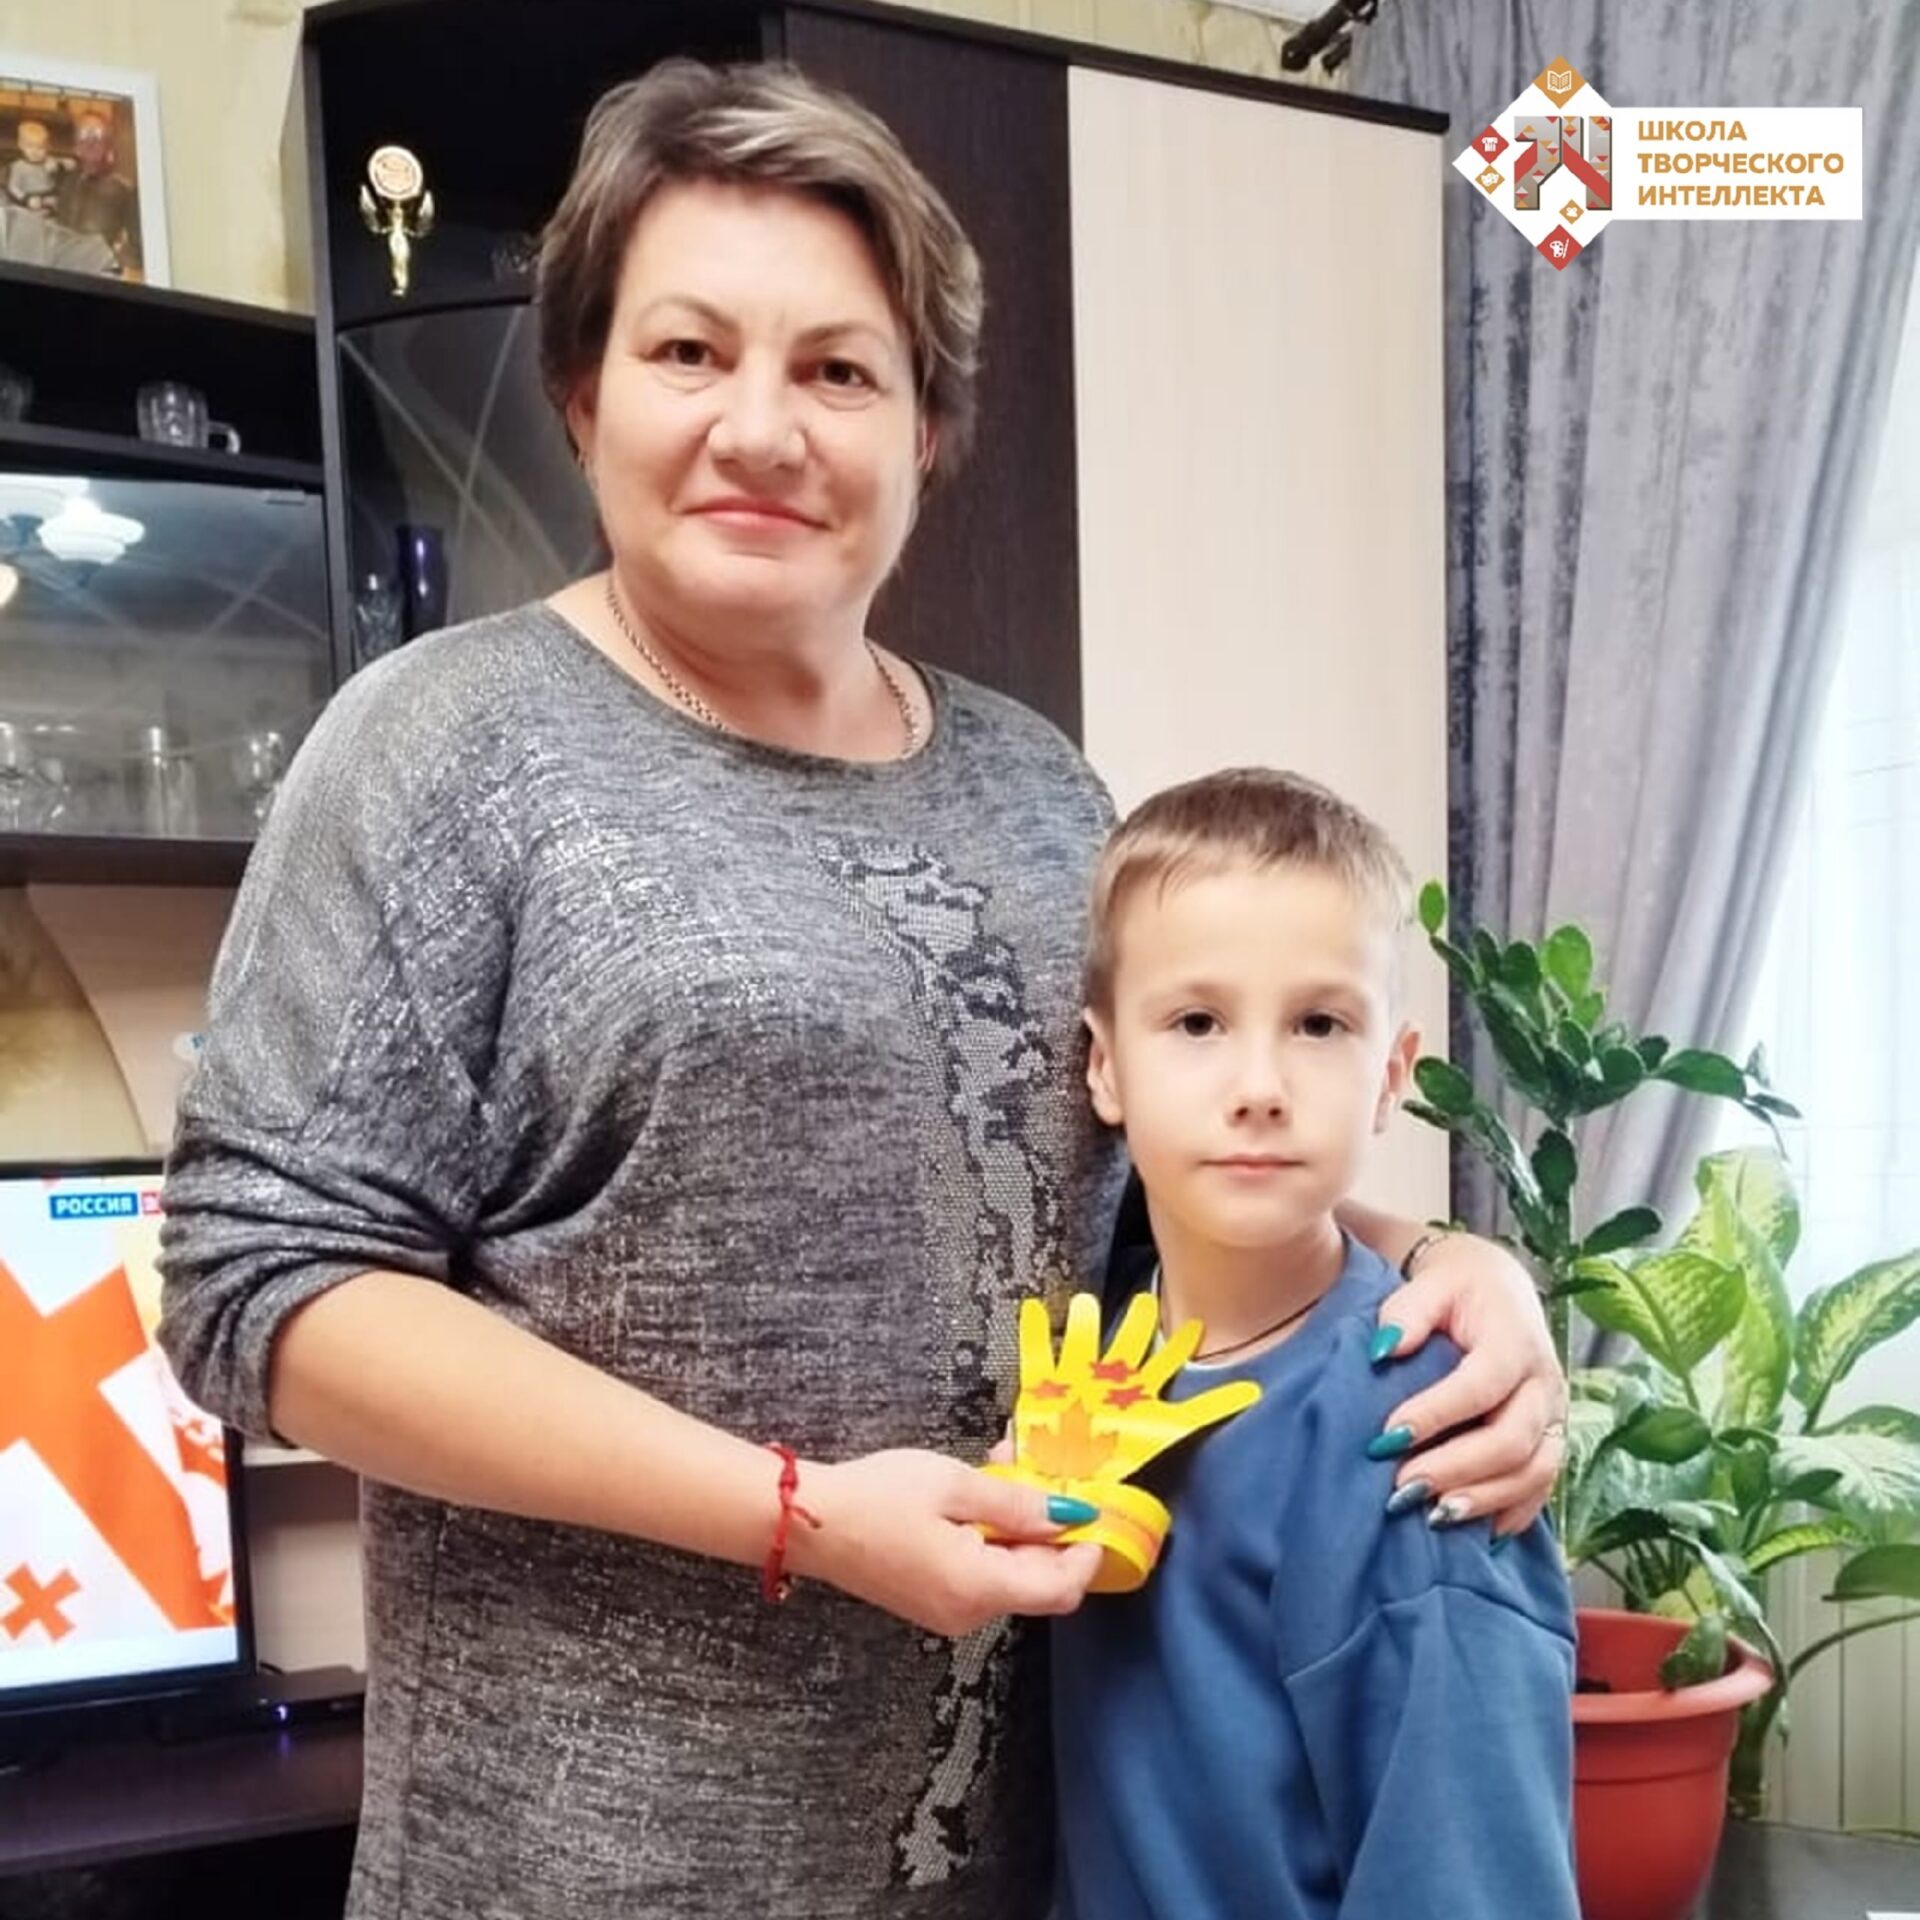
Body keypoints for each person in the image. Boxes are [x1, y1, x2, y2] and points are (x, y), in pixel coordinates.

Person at [157, 60, 1566, 1920]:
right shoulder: (439, 747)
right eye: (688, 352)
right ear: (582, 395)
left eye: (838, 370)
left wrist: (1442, 1266)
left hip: (1023, 1866)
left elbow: (1135, 1188)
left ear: (927, 430)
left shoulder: (1038, 786)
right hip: (596, 1878)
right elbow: (255, 1290)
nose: (762, 428)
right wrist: (798, 1516)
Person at [1051, 768, 1578, 1920]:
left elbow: (1468, 1882)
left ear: (1390, 1074)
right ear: (1105, 1066)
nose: (1259, 1088)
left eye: (1320, 1024)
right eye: (1197, 1023)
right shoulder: (1104, 1354)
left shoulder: (1420, 1422)